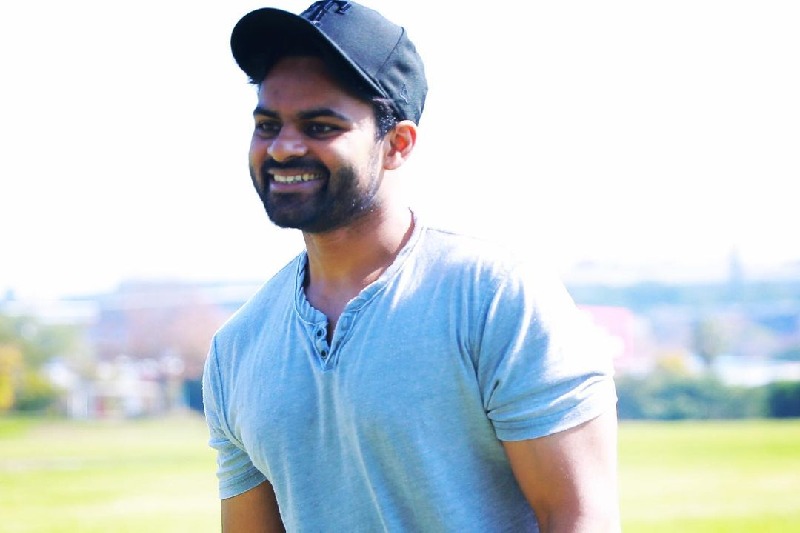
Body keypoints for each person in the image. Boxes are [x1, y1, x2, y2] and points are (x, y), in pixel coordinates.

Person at [202, 1, 621, 531]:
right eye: (267, 125)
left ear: (397, 144)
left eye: (320, 126)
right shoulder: (236, 349)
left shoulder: (494, 298)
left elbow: (579, 517)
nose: (283, 148)